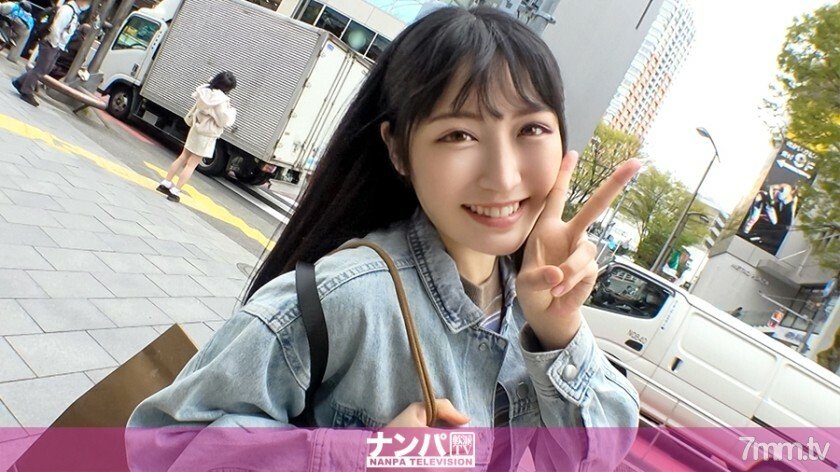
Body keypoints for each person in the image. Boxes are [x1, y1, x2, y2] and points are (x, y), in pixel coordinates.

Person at [129, 7, 640, 470]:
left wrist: (559, 332)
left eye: (530, 130)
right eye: (459, 135)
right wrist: (369, 456)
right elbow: (162, 447)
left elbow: (593, 457)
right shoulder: (343, 298)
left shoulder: (531, 303)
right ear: (398, 150)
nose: (504, 177)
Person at [156, 71, 237, 203]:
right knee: (191, 164)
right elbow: (223, 121)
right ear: (227, 88)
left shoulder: (205, 91)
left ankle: (165, 182)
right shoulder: (221, 100)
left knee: (182, 157)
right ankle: (175, 191)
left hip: (196, 128)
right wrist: (232, 112)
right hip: (207, 134)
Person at [11, 0, 88, 106]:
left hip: (56, 45)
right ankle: (26, 91)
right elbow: (56, 27)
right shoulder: (68, 10)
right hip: (50, 43)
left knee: (46, 68)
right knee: (41, 68)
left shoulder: (74, 12)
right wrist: (55, 44)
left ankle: (20, 82)